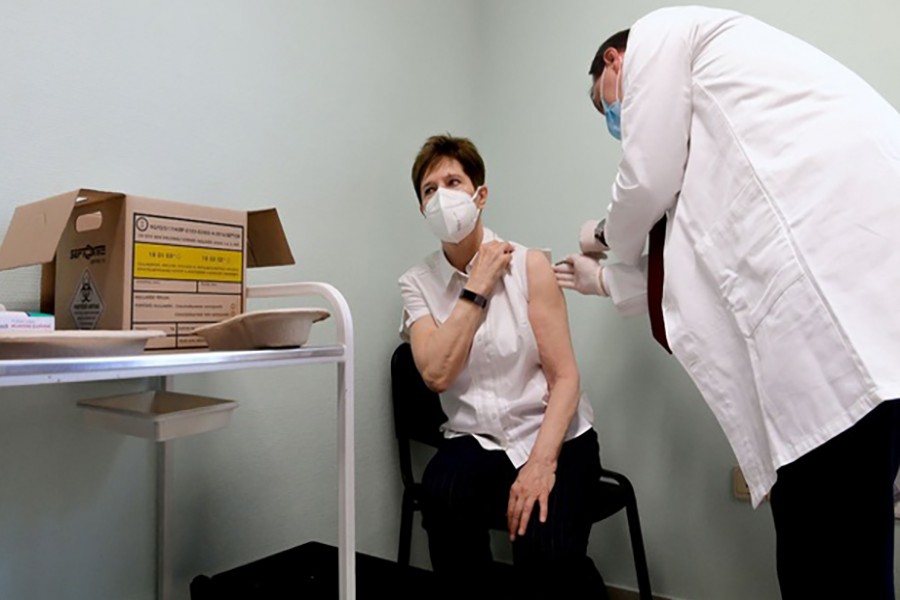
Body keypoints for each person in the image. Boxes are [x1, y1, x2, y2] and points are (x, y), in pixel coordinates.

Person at [553, 6, 900, 598]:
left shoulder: (662, 34)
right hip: (853, 331)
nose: (613, 117)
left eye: (605, 103)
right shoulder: (716, 135)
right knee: (838, 547)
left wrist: (606, 235)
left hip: (839, 331)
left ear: (615, 62)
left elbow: (643, 183)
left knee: (826, 552)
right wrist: (604, 282)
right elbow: (696, 274)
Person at [398, 134, 608, 599]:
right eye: (429, 190)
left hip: (553, 433)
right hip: (479, 439)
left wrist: (540, 463)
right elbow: (436, 375)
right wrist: (476, 287)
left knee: (546, 547)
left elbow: (565, 378)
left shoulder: (530, 265)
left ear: (480, 195)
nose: (441, 196)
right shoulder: (417, 284)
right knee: (440, 491)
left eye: (453, 181)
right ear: (421, 208)